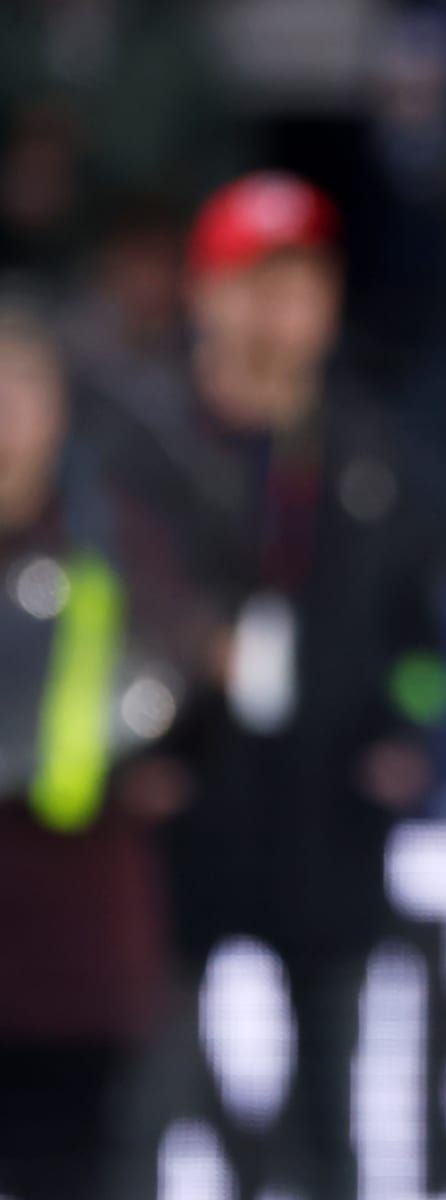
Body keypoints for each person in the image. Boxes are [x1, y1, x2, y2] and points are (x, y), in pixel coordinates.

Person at [106, 172, 446, 1200]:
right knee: (146, 1111)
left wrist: (407, 734)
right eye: (260, 279)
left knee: (331, 1130)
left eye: (305, 278)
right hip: (177, 819)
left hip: (328, 815)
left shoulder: (378, 454)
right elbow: (100, 615)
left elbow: (426, 644)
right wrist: (138, 746)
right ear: (205, 293)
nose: (285, 304)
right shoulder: (142, 448)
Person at [0, 301, 190, 1200]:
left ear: (57, 409)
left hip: (79, 963)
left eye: (20, 388)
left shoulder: (118, 546)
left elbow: (184, 690)